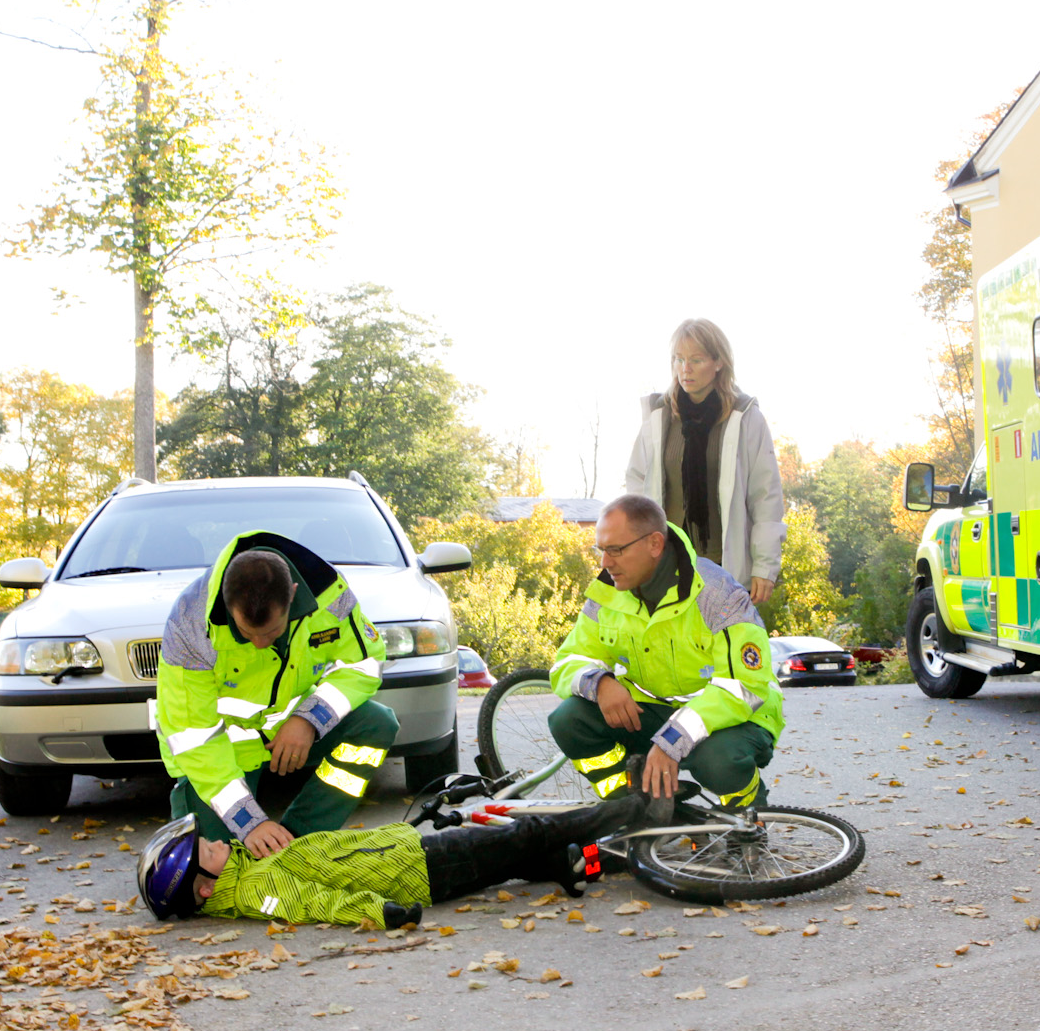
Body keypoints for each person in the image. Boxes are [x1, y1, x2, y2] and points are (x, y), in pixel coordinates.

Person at [155, 529, 400, 858]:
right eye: (246, 632)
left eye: (271, 632)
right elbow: (194, 738)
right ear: (228, 606)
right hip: (218, 756)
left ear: (294, 596)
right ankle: (259, 838)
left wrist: (309, 720)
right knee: (214, 871)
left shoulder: (329, 594)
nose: (259, 643)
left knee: (377, 724)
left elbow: (365, 664)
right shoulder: (190, 627)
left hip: (290, 729)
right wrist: (250, 823)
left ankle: (301, 843)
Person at [546, 494, 784, 809]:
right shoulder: (606, 593)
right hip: (655, 713)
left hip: (736, 717)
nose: (605, 563)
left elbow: (743, 688)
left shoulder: (718, 595)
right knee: (568, 719)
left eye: (616, 550)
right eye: (601, 551)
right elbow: (567, 661)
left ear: (655, 544)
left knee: (717, 760)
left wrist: (672, 740)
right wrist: (600, 683)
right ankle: (627, 809)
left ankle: (748, 813)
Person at [135, 794, 650, 925]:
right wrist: (379, 913)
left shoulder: (243, 871)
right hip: (420, 872)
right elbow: (318, 903)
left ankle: (599, 863)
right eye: (209, 850)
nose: (220, 842)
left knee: (528, 855)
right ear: (204, 887)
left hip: (409, 856)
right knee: (530, 831)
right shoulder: (255, 891)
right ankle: (635, 808)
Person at [624, 317, 785, 607]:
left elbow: (766, 498)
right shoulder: (658, 417)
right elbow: (636, 491)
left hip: (724, 568)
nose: (685, 369)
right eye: (678, 359)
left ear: (718, 362)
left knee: (722, 650)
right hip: (666, 566)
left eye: (696, 360)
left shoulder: (745, 417)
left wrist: (764, 567)